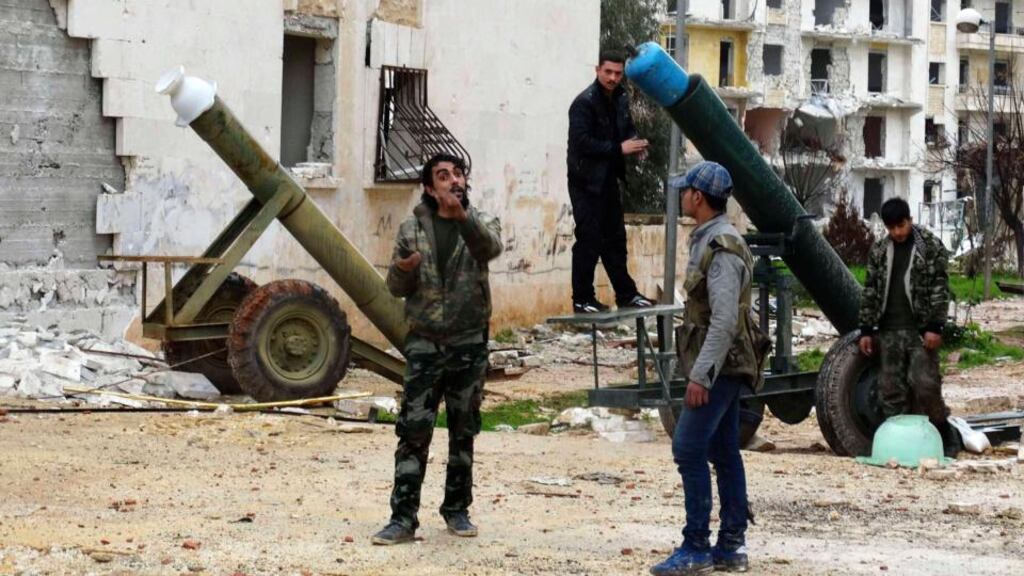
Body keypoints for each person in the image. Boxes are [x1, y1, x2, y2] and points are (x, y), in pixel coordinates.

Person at [372, 153, 502, 545]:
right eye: (442, 176)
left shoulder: (482, 222)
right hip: (425, 345)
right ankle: (402, 518)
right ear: (430, 188)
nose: (451, 181)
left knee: (463, 431)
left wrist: (462, 217)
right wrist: (403, 270)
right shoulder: (412, 228)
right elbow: (394, 288)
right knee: (413, 431)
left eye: (457, 173)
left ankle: (457, 510)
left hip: (467, 344)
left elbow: (489, 249)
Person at [652, 162, 763, 576]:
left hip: (722, 366)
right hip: (724, 363)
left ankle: (696, 546)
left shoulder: (722, 247)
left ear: (698, 197)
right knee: (722, 450)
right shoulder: (711, 239)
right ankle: (731, 547)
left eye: (686, 191)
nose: (682, 196)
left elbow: (723, 321)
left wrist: (701, 376)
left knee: (688, 448)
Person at [857, 197, 957, 455]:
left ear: (909, 220)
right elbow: (870, 290)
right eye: (892, 228)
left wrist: (935, 326)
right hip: (889, 331)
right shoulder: (880, 251)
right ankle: (899, 445)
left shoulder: (929, 247)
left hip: (920, 330)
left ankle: (945, 437)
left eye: (901, 226)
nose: (897, 233)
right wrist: (866, 330)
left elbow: (939, 287)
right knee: (890, 391)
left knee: (925, 385)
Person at [566, 48, 654, 314]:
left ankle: (626, 294)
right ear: (597, 70)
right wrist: (619, 149)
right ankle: (582, 299)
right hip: (585, 182)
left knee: (615, 239)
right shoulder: (584, 103)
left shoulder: (621, 98)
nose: (613, 78)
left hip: (608, 180)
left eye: (618, 73)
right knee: (589, 239)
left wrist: (637, 145)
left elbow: (625, 130)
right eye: (608, 72)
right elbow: (582, 143)